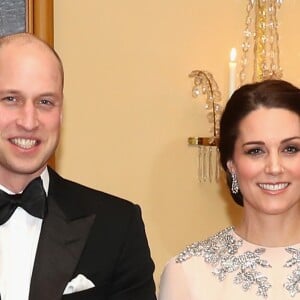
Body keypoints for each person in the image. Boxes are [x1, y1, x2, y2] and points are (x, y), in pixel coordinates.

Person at [0, 32, 156, 300]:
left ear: (61, 113)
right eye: (11, 99)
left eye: (45, 102)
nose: (29, 121)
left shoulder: (117, 226)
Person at [158, 79, 300, 300]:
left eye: (290, 149)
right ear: (231, 164)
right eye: (255, 151)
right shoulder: (187, 273)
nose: (274, 167)